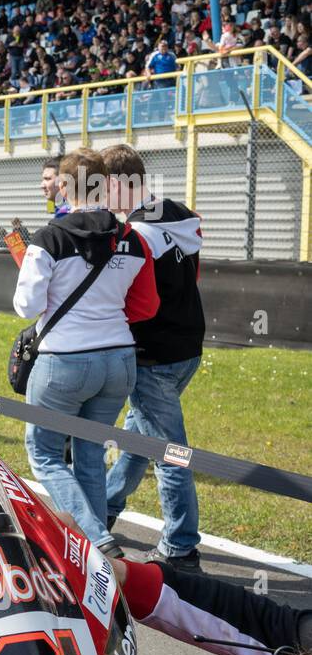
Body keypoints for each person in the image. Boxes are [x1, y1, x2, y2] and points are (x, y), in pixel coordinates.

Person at [13, 148, 159, 557]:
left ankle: (96, 540)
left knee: (43, 452)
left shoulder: (49, 238)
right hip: (119, 359)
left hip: (65, 360)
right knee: (89, 453)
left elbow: (27, 306)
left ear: (63, 186)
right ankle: (98, 550)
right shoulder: (131, 238)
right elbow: (143, 303)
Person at [101, 144, 205, 570]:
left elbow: (132, 298)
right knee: (136, 439)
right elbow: (194, 272)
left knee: (168, 452)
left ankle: (181, 546)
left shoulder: (136, 233)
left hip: (154, 355)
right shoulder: (179, 212)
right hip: (187, 345)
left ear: (115, 185)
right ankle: (106, 507)